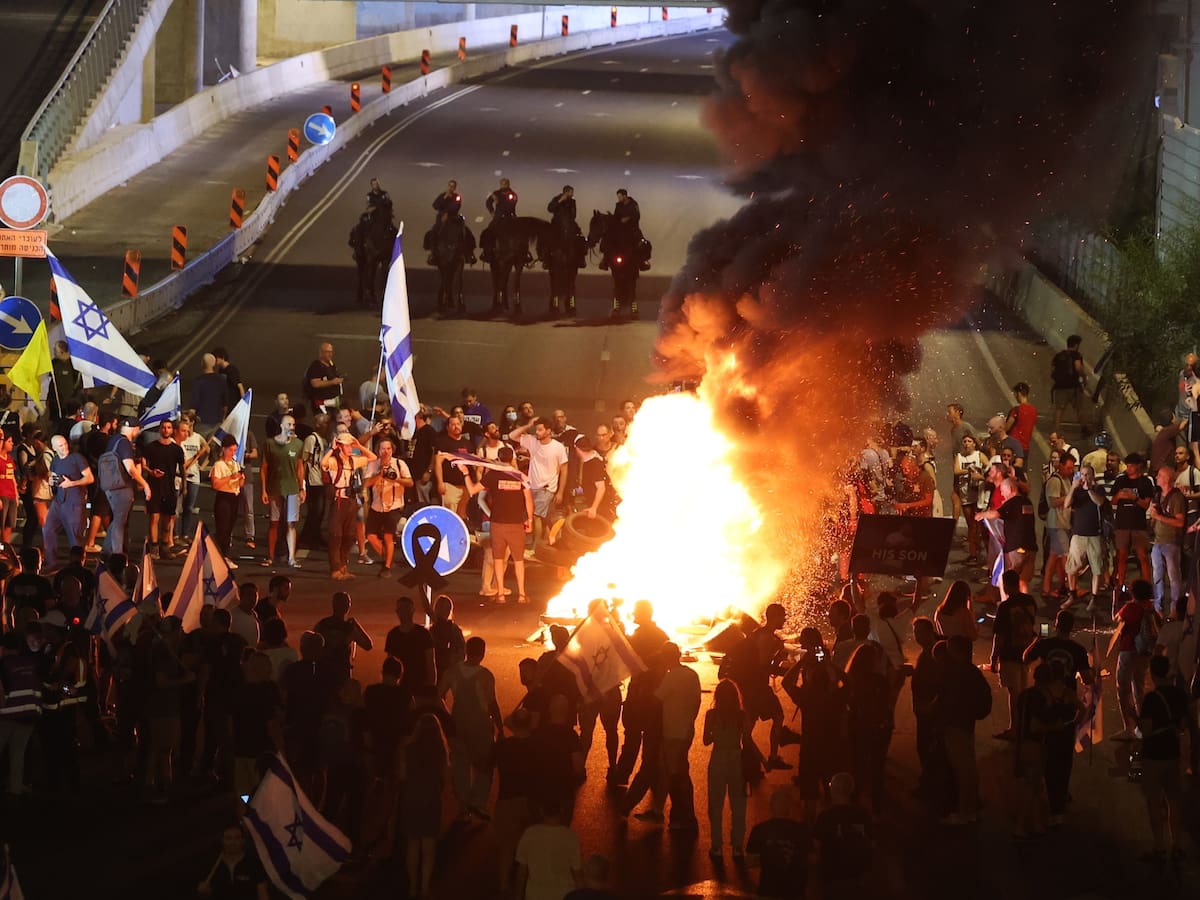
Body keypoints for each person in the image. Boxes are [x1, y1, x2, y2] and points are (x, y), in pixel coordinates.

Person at [439, 635, 503, 820]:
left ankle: (463, 807)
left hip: (458, 723)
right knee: (484, 765)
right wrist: (500, 727)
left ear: (466, 650)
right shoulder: (485, 675)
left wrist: (447, 716)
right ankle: (479, 803)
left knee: (461, 765)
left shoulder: (452, 672)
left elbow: (439, 695)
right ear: (482, 653)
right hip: (481, 725)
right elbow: (492, 704)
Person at [1138, 654, 1189, 862]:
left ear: (1152, 672)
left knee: (1154, 802)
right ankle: (1177, 844)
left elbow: (1147, 731)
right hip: (1173, 754)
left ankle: (1159, 846)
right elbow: (1183, 725)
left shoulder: (1151, 699)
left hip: (1153, 756)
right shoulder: (1179, 695)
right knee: (1174, 802)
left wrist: (1136, 720)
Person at [465, 445, 533, 602]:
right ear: (512, 459)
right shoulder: (521, 476)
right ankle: (522, 594)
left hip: (497, 524)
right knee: (518, 560)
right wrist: (529, 520)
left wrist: (465, 473)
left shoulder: (493, 476)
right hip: (516, 524)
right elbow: (528, 499)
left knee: (498, 558)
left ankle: (500, 594)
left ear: (499, 458)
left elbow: (473, 490)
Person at [402, 713, 450, 898]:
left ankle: (412, 885)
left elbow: (403, 775)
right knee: (429, 847)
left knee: (412, 843)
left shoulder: (409, 749)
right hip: (431, 799)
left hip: (411, 798)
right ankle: (424, 887)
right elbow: (447, 779)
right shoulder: (440, 751)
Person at [321, 432, 376, 581]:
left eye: (351, 445)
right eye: (347, 445)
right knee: (336, 536)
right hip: (339, 501)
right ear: (340, 446)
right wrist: (332, 449)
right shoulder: (333, 461)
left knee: (349, 536)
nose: (350, 448)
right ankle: (335, 569)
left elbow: (373, 458)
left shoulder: (353, 461)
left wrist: (359, 446)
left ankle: (343, 567)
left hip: (351, 501)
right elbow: (323, 463)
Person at [990, 570, 1038, 739]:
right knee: (1025, 691)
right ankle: (1027, 726)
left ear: (1007, 585)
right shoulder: (1030, 601)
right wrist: (1040, 641)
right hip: (1028, 652)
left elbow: (1000, 636)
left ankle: (1015, 728)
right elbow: (1038, 625)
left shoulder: (1005, 607)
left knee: (1014, 693)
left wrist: (994, 657)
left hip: (1010, 654)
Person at [507, 417, 568, 547]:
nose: (537, 432)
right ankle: (534, 543)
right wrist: (528, 425)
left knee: (536, 516)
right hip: (531, 486)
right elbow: (512, 435)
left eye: (540, 430)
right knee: (532, 517)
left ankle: (536, 546)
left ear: (548, 431)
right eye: (536, 429)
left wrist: (560, 492)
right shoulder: (532, 441)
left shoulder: (558, 447)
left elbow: (564, 470)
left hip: (547, 488)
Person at [703, 679, 747, 859]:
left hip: (719, 757)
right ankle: (737, 846)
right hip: (737, 758)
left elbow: (706, 740)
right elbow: (748, 741)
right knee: (738, 803)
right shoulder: (741, 715)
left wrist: (718, 734)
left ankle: (717, 845)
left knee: (715, 803)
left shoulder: (712, 715)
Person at [813, 772, 873, 895]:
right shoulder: (862, 815)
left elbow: (816, 847)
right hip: (857, 872)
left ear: (832, 790)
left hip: (832, 873)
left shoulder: (825, 817)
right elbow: (871, 842)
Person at [260, 414, 306, 570]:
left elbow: (300, 468)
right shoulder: (269, 444)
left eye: (293, 424)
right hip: (274, 488)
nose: (291, 427)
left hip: (292, 489)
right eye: (288, 424)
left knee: (291, 523)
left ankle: (291, 557)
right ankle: (270, 556)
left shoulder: (298, 444)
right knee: (274, 523)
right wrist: (264, 490)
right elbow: (264, 468)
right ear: (281, 426)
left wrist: (302, 488)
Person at [745, 788, 810, 898]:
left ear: (770, 806)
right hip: (795, 889)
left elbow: (750, 862)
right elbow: (812, 858)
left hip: (769, 888)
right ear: (789, 807)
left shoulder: (760, 830)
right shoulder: (801, 829)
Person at [101, 418, 152, 558]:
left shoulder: (113, 440)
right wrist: (145, 484)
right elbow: (130, 468)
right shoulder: (124, 443)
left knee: (118, 518)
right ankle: (117, 555)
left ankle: (106, 551)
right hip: (122, 486)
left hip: (109, 485)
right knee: (119, 521)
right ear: (135, 429)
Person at [41, 434, 93, 571]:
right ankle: (52, 561)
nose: (64, 447)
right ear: (54, 448)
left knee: (75, 535)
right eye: (60, 446)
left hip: (74, 502)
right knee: (48, 529)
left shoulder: (77, 458)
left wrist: (72, 483)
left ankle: (77, 567)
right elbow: (51, 476)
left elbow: (90, 477)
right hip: (59, 501)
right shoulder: (55, 460)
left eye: (65, 444)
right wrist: (51, 481)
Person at [515, 795, 582, 900]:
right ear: (561, 810)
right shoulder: (570, 836)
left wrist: (518, 896)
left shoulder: (530, 834)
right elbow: (577, 873)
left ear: (541, 811)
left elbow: (522, 872)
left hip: (535, 895)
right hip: (563, 895)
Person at [363, 437, 412, 577]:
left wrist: (395, 479)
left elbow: (410, 482)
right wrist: (380, 474)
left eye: (388, 449)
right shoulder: (373, 464)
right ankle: (388, 558)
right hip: (377, 505)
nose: (385, 451)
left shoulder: (399, 463)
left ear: (392, 450)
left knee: (388, 536)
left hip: (394, 505)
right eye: (383, 449)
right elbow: (366, 484)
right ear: (378, 450)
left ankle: (386, 567)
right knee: (371, 535)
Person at [143, 420, 185, 559]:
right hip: (154, 487)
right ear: (160, 429)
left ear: (172, 430)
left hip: (169, 488)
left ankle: (165, 546)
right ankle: (154, 548)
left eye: (168, 427)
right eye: (163, 427)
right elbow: (143, 464)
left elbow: (183, 469)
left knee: (168, 519)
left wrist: (184, 486)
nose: (166, 430)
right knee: (154, 517)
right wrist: (151, 471)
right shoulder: (151, 447)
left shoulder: (177, 449)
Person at [1112, 453, 1155, 587]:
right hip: (1122, 524)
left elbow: (1146, 504)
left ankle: (1147, 586)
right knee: (1121, 556)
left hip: (1138, 524)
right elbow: (1112, 502)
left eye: (1131, 465)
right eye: (1127, 465)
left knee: (1142, 556)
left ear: (1138, 466)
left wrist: (1133, 498)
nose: (1128, 468)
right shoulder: (1120, 480)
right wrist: (1119, 496)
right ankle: (1120, 586)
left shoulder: (1145, 482)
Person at [313, 592, 373, 685]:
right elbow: (368, 645)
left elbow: (311, 643)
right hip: (342, 674)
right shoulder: (348, 628)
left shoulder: (322, 624)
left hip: (323, 671)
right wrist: (357, 626)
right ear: (347, 606)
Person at [195, 824, 269, 899]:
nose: (232, 842)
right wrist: (203, 893)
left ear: (243, 841)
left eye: (237, 838)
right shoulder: (211, 864)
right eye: (228, 838)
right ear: (222, 840)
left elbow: (263, 894)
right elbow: (204, 896)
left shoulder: (254, 863)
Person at [1148, 464, 1186, 612]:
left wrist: (1158, 516)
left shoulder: (1177, 498)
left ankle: (1175, 609)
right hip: (1157, 541)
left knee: (1173, 577)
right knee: (1157, 576)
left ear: (1167, 479)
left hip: (1171, 542)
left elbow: (1180, 522)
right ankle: (1158, 607)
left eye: (1160, 476)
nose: (1157, 478)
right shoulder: (1158, 495)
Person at [385, 596, 435, 694]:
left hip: (420, 684)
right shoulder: (393, 635)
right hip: (399, 686)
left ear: (412, 611)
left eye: (406, 608)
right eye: (401, 609)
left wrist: (431, 686)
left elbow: (430, 663)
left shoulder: (424, 634)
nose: (403, 612)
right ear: (397, 612)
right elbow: (390, 664)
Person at [210, 436, 245, 564]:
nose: (233, 453)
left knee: (229, 528)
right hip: (223, 498)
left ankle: (225, 555)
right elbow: (215, 484)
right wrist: (231, 477)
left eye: (235, 450)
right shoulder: (219, 464)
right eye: (230, 450)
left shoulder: (235, 464)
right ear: (224, 449)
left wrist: (241, 478)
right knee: (222, 528)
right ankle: (221, 556)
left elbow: (240, 485)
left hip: (234, 497)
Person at [1050, 334, 1089, 434]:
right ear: (1076, 345)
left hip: (1060, 386)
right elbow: (1078, 367)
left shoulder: (1059, 355)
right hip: (1073, 386)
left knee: (1059, 410)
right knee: (1079, 408)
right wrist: (1084, 378)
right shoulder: (1076, 355)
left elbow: (1053, 370)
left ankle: (1055, 431)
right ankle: (1084, 429)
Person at [480, 177, 518, 264]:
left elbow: (511, 205)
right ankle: (486, 252)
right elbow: (488, 202)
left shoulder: (512, 194)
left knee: (520, 234)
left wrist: (498, 201)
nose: (504, 185)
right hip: (497, 218)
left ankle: (524, 254)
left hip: (509, 218)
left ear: (508, 184)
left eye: (506, 184)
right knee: (487, 232)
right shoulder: (495, 193)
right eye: (502, 184)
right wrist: (492, 212)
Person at [304, 342, 345, 414]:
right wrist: (333, 382)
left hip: (333, 403)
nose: (330, 354)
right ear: (321, 353)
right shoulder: (316, 366)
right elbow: (315, 384)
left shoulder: (331, 364)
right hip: (321, 404)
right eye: (327, 352)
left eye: (331, 352)